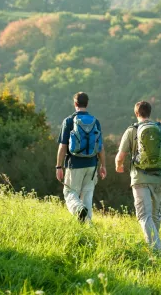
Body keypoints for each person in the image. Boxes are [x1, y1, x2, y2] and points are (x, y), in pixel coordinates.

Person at [115, 101, 161, 251]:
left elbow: (120, 156)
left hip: (139, 178)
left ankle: (157, 250)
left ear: (136, 114)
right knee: (155, 216)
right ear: (150, 112)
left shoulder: (132, 130)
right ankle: (155, 246)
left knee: (144, 216)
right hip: (159, 178)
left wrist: (118, 166)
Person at [56, 92, 107, 222]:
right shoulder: (95, 121)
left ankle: (78, 209)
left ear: (75, 104)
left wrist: (58, 166)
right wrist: (103, 165)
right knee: (87, 196)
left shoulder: (68, 121)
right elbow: (100, 147)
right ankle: (87, 226)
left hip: (74, 164)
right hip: (92, 164)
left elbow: (62, 147)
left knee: (69, 193)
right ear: (87, 104)